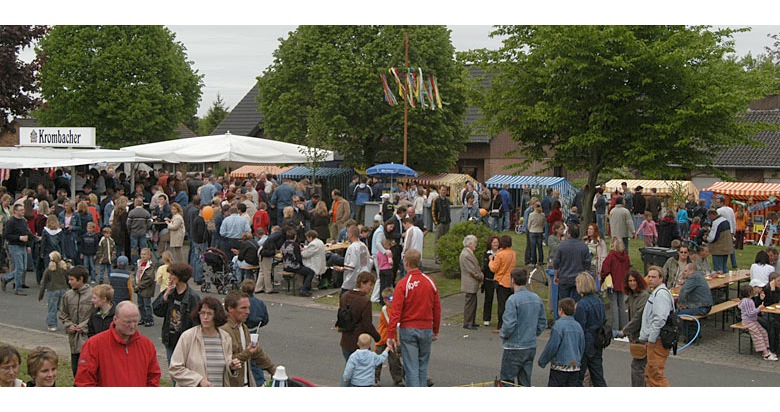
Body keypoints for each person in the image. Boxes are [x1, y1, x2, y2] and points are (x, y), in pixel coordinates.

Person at [387, 249, 441, 387]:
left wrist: (391, 334)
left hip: (408, 328)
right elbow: (437, 308)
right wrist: (435, 330)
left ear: (406, 263)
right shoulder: (430, 282)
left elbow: (396, 311)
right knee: (422, 366)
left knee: (411, 367)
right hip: (426, 328)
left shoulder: (403, 284)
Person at [75, 301, 161, 386]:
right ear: (115, 319)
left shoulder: (146, 345)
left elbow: (153, 377)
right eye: (128, 322)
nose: (132, 326)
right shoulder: (94, 344)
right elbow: (85, 381)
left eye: (135, 321)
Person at [167, 296, 238, 387]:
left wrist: (231, 367)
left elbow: (225, 367)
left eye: (209, 314)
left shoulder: (225, 338)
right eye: (202, 313)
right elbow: (175, 368)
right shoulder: (188, 336)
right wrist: (198, 381)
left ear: (216, 316)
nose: (205, 317)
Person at [499, 268, 547, 387]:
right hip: (530, 345)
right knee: (525, 382)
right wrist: (532, 333)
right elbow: (542, 323)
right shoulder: (536, 298)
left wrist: (503, 335)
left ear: (513, 280)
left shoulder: (512, 300)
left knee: (507, 381)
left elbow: (509, 325)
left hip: (514, 346)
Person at [220, 290, 276, 387]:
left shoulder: (243, 327)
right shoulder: (223, 330)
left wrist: (274, 370)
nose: (248, 312)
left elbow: (257, 353)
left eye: (248, 308)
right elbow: (226, 362)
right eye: (243, 308)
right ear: (230, 309)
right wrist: (248, 353)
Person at [152, 262, 201, 366]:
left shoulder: (192, 297)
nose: (169, 277)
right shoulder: (170, 293)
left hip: (184, 341)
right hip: (170, 339)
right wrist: (165, 296)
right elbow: (157, 311)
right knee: (172, 368)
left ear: (181, 276)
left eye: (172, 274)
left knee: (183, 369)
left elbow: (196, 321)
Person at [637, 265, 673, 386]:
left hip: (657, 340)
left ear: (661, 278)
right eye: (649, 276)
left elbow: (660, 318)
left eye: (654, 277)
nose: (650, 279)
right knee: (650, 373)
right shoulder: (656, 292)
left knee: (655, 375)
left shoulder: (661, 295)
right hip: (653, 339)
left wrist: (651, 338)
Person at [537, 297, 584, 387]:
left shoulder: (558, 326)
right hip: (574, 366)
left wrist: (543, 360)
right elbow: (581, 345)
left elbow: (552, 346)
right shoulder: (578, 326)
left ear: (560, 310)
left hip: (560, 366)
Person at [572, 272, 607, 387]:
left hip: (586, 344)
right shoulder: (599, 301)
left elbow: (579, 327)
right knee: (598, 376)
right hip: (598, 341)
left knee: (578, 377)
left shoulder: (582, 305)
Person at [338, 271, 381, 361]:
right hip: (359, 342)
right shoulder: (365, 302)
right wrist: (377, 337)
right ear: (362, 283)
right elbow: (367, 324)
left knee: (349, 367)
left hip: (345, 340)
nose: (371, 288)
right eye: (370, 284)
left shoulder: (344, 296)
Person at [59, 265, 92, 378]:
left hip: (88, 340)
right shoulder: (67, 295)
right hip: (73, 341)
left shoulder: (92, 295)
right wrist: (69, 325)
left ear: (81, 279)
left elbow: (95, 316)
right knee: (76, 371)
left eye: (72, 279)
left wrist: (83, 326)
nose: (69, 282)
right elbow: (63, 314)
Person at [618, 270, 650, 387]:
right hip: (636, 335)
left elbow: (638, 317)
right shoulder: (631, 296)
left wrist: (625, 331)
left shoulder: (644, 296)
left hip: (643, 335)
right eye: (629, 281)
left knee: (637, 367)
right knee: (641, 366)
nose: (632, 283)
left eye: (634, 280)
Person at [738, 284, 778, 361]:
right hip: (748, 322)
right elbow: (750, 313)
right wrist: (759, 309)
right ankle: (766, 354)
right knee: (758, 336)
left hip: (753, 320)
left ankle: (767, 350)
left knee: (764, 332)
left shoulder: (750, 300)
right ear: (749, 292)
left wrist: (761, 301)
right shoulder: (747, 301)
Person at [374, 287, 404, 386]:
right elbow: (390, 323)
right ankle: (374, 378)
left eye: (394, 298)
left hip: (393, 339)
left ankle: (398, 379)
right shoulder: (385, 309)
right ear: (385, 300)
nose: (392, 301)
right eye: (390, 299)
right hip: (382, 338)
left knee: (394, 361)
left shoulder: (396, 308)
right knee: (378, 360)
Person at [2, 203, 34, 295]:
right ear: (15, 211)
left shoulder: (24, 221)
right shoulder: (11, 222)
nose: (22, 211)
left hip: (23, 245)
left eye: (23, 209)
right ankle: (18, 288)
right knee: (19, 268)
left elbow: (26, 233)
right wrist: (19, 238)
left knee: (23, 268)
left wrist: (28, 245)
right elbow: (6, 235)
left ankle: (6, 279)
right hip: (14, 246)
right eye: (20, 210)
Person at [553, 225, 591, 302]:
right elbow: (587, 263)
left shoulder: (562, 245)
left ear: (569, 234)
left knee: (564, 302)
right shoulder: (584, 246)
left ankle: (564, 313)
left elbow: (556, 262)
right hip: (578, 278)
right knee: (577, 302)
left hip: (564, 277)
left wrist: (555, 275)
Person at [601, 236, 630, 334]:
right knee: (621, 304)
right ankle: (624, 326)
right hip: (622, 283)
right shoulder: (625, 257)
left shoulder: (611, 256)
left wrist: (602, 279)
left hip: (612, 283)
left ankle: (615, 328)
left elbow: (605, 269)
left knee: (614, 305)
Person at [676, 265, 713, 343]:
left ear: (692, 271)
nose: (684, 273)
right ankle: (695, 334)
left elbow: (684, 291)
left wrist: (679, 305)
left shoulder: (693, 278)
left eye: (686, 271)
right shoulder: (699, 276)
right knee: (686, 310)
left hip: (702, 307)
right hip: (706, 305)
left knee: (678, 313)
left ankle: (690, 336)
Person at [489, 235, 516, 332]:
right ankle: (510, 324)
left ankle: (501, 326)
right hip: (511, 282)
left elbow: (494, 268)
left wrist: (491, 261)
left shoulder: (500, 254)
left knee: (502, 305)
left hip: (501, 281)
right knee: (510, 305)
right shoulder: (513, 253)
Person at [38, 251, 70, 332]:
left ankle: (52, 325)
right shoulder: (64, 268)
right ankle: (68, 325)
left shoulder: (49, 270)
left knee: (52, 309)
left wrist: (40, 295)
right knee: (63, 309)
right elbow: (68, 280)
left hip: (53, 290)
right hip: (63, 290)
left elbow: (43, 283)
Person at [335, 225, 372, 295]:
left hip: (352, 279)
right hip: (362, 276)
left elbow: (351, 265)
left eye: (348, 233)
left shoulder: (352, 247)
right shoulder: (363, 246)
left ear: (351, 234)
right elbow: (366, 261)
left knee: (344, 297)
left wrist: (341, 268)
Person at [279, 228, 315, 297]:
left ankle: (306, 288)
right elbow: (298, 258)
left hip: (286, 266)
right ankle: (304, 289)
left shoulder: (284, 244)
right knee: (311, 272)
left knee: (306, 271)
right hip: (294, 266)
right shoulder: (295, 245)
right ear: (295, 236)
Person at [460, 234, 484, 330]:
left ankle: (472, 321)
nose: (476, 245)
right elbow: (472, 270)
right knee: (470, 303)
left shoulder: (468, 253)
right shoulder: (466, 254)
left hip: (471, 282)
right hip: (469, 282)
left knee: (473, 302)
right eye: (474, 243)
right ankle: (468, 322)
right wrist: (480, 276)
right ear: (470, 244)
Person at [706, 208, 734, 274]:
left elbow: (712, 237)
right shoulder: (725, 220)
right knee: (724, 266)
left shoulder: (716, 223)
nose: (709, 219)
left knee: (718, 269)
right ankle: (726, 282)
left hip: (718, 249)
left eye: (709, 217)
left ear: (712, 215)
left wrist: (706, 238)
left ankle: (720, 283)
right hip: (726, 247)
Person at [482, 235, 499, 327]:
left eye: (497, 242)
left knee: (501, 299)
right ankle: (486, 318)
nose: (496, 244)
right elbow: (485, 267)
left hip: (499, 278)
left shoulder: (501, 253)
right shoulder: (487, 253)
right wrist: (490, 260)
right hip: (489, 279)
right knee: (488, 298)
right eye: (494, 242)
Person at [583, 223, 607, 290]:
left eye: (591, 229)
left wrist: (601, 267)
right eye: (588, 229)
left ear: (595, 231)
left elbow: (603, 256)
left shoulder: (601, 242)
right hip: (586, 266)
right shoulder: (584, 241)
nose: (589, 230)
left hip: (595, 266)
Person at [126, 197, 151, 263]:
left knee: (134, 248)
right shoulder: (146, 212)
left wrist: (129, 230)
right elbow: (149, 223)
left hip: (133, 232)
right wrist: (146, 230)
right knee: (143, 247)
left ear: (135, 204)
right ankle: (144, 261)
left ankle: (134, 262)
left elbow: (128, 224)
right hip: (143, 232)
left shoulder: (131, 212)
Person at [528, 201, 545, 266]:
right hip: (540, 231)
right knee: (540, 247)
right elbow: (543, 224)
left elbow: (529, 223)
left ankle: (533, 262)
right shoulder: (542, 215)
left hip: (532, 231)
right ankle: (541, 261)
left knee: (533, 247)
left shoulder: (531, 215)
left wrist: (529, 229)